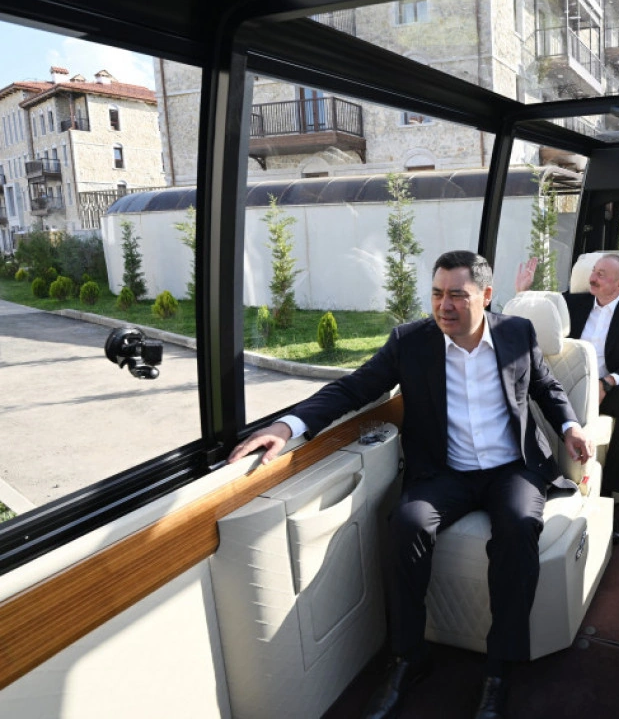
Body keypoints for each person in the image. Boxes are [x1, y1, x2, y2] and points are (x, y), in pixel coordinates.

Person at [228, 250, 593, 719]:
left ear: (486, 295)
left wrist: (569, 426)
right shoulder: (410, 342)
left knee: (519, 526)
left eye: (457, 295)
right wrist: (289, 426)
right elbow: (355, 387)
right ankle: (407, 657)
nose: (444, 305)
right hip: (444, 472)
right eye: (437, 294)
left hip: (511, 469)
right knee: (406, 524)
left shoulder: (516, 333)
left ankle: (499, 668)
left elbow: (546, 387)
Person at [515, 253, 619, 500]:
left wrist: (607, 383)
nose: (592, 278)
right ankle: (535, 475)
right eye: (593, 271)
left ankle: (607, 492)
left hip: (607, 390)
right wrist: (523, 292)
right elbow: (541, 311)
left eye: (601, 274)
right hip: (568, 385)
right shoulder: (572, 302)